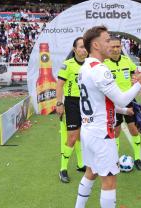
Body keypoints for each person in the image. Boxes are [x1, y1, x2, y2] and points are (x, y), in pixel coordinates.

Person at [74, 26, 141, 208]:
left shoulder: (84, 68)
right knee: (109, 182)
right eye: (107, 40)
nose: (110, 44)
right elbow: (122, 98)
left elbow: (99, 101)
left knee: (91, 172)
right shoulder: (100, 70)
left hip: (89, 131)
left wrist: (124, 112)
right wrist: (140, 84)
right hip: (102, 134)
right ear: (96, 45)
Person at [104, 37, 141, 171]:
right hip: (112, 102)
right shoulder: (103, 64)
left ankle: (137, 158)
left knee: (134, 130)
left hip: (129, 100)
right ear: (108, 47)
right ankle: (114, 159)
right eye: (113, 46)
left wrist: (136, 78)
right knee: (115, 132)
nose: (116, 49)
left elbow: (137, 74)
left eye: (118, 46)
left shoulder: (127, 61)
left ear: (121, 47)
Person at [55, 37, 87, 183]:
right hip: (72, 103)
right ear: (74, 50)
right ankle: (63, 169)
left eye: (85, 46)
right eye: (80, 47)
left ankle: (81, 164)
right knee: (72, 138)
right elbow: (59, 85)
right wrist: (59, 104)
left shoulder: (91, 64)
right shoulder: (67, 65)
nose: (83, 49)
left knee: (82, 136)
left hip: (86, 103)